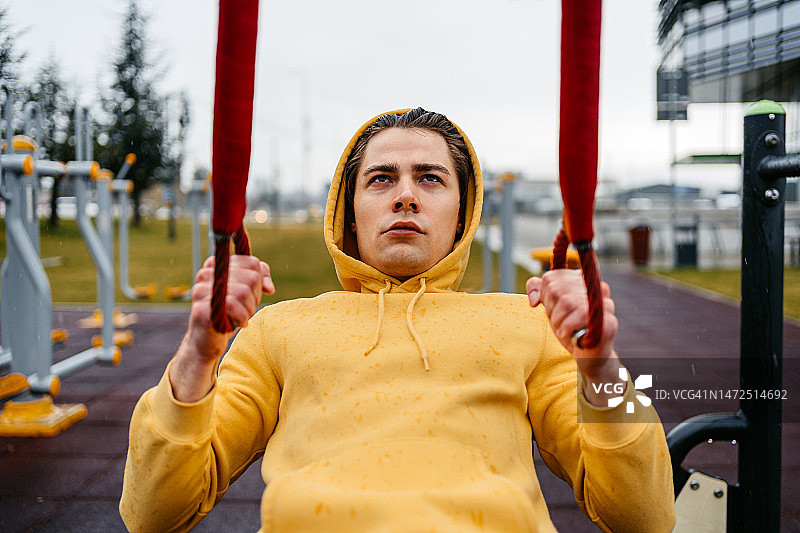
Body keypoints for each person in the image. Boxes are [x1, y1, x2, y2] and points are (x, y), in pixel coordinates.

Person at [120, 108, 676, 532]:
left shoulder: (528, 324)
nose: (406, 196)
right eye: (381, 178)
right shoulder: (277, 329)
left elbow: (644, 516)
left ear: (461, 214)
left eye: (430, 178)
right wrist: (197, 354)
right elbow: (154, 513)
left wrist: (601, 365)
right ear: (350, 213)